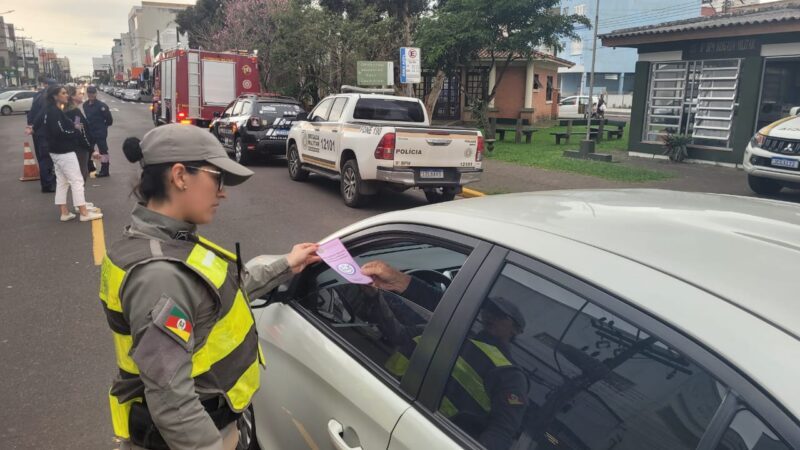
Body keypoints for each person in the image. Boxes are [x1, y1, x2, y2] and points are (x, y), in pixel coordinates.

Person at [100, 124, 320, 450]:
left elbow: (218, 292)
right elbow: (172, 401)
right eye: (217, 178)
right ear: (180, 176)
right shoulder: (160, 275)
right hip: (199, 434)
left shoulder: (172, 241)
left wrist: (287, 263)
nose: (223, 192)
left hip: (219, 416)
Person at [359, 261, 529, 450]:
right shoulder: (452, 333)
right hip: (383, 399)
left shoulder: (511, 374)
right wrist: (375, 297)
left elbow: (502, 431)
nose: (490, 317)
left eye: (499, 315)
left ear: (516, 330)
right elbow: (398, 334)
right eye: (489, 311)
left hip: (427, 436)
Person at [43, 85, 103, 222]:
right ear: (55, 96)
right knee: (77, 180)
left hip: (57, 151)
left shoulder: (55, 111)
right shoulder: (60, 112)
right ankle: (83, 212)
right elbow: (64, 131)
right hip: (65, 151)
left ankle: (65, 212)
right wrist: (75, 131)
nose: (66, 95)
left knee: (62, 182)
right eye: (63, 93)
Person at [25, 76, 57, 192]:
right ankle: (48, 184)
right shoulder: (47, 98)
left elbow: (31, 113)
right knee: (46, 159)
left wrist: (31, 126)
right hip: (45, 132)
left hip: (37, 132)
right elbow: (43, 115)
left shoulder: (37, 95)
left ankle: (47, 181)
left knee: (42, 157)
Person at [63, 85, 94, 182]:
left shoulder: (67, 111)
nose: (82, 95)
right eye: (79, 93)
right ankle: (79, 197)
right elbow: (79, 131)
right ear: (72, 97)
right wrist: (90, 148)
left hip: (71, 147)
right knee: (80, 177)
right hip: (80, 149)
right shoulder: (75, 112)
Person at [83, 85, 113, 177]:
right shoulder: (85, 105)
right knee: (89, 150)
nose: (91, 95)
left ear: (95, 93)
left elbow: (109, 120)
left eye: (92, 93)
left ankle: (105, 170)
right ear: (87, 93)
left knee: (103, 151)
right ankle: (89, 167)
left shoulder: (102, 106)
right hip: (90, 132)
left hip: (100, 132)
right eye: (89, 93)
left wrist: (103, 127)